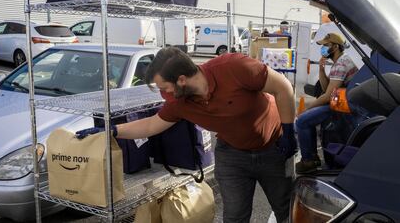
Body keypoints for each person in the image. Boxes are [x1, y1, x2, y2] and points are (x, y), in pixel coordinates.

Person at [76, 47, 297, 223]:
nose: (164, 94)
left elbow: (283, 88)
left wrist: (288, 131)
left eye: (165, 88)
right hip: (232, 155)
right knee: (235, 216)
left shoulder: (234, 66)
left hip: (274, 146)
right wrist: (113, 131)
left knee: (285, 209)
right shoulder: (179, 103)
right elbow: (152, 125)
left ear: (182, 79)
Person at [295, 33, 358, 174]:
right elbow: (326, 88)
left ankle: (309, 160)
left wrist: (305, 109)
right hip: (339, 102)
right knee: (306, 119)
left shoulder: (341, 64)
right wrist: (322, 70)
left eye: (326, 45)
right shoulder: (340, 61)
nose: (323, 48)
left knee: (302, 121)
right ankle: (312, 158)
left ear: (336, 47)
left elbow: (327, 96)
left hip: (343, 106)